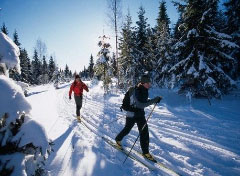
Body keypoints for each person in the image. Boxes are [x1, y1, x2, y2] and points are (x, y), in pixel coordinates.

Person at [115, 75, 162, 161]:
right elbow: (141, 104)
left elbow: (143, 102)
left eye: (149, 83)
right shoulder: (136, 91)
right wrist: (154, 100)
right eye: (148, 83)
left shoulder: (145, 91)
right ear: (143, 83)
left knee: (144, 132)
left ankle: (146, 152)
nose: (149, 84)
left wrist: (155, 100)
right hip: (131, 114)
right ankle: (118, 139)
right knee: (127, 129)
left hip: (140, 115)